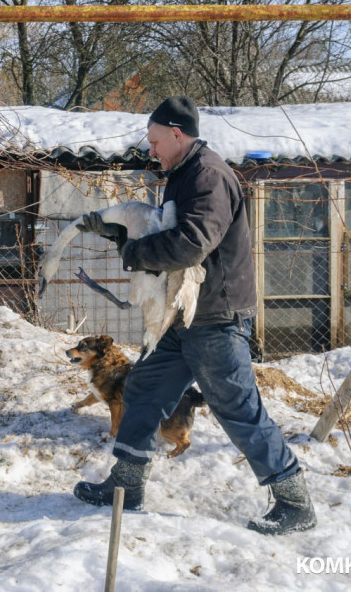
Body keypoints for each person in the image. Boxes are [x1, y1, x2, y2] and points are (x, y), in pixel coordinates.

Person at [73, 96, 315, 535]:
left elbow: (190, 243)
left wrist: (133, 253)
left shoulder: (207, 175)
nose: (151, 150)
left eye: (155, 140)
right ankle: (125, 487)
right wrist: (123, 231)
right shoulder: (184, 174)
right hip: (186, 317)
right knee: (144, 388)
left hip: (216, 318)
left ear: (177, 134)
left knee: (237, 407)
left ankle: (294, 501)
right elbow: (167, 230)